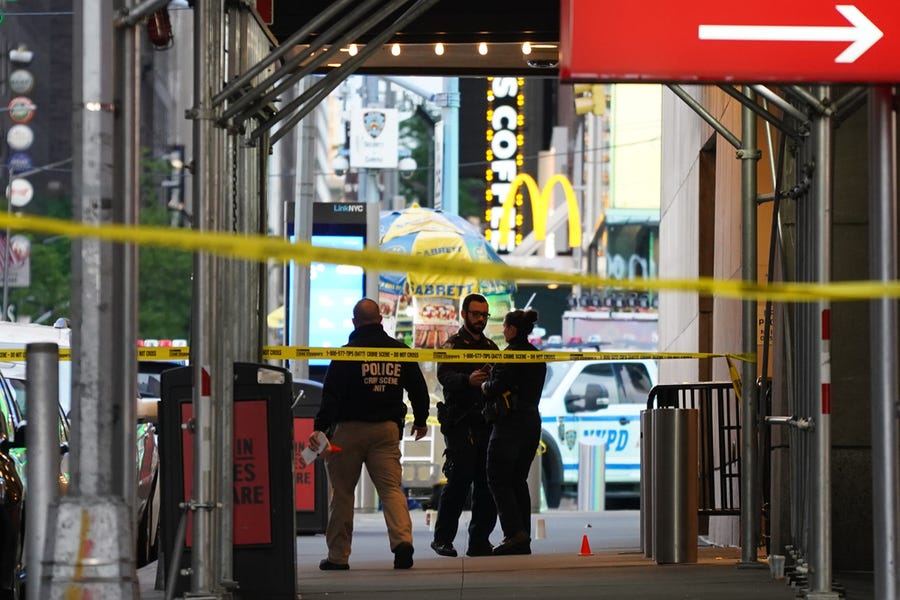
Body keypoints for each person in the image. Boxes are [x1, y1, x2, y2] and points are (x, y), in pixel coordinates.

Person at [309, 298, 430, 571]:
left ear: (355, 322)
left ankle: (338, 557)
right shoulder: (399, 351)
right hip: (386, 431)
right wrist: (421, 420)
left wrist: (320, 428)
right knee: (390, 489)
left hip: (348, 432)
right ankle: (402, 543)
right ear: (381, 319)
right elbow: (419, 389)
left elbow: (331, 396)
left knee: (342, 494)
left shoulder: (346, 354)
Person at [430, 294, 500, 558]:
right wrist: (467, 380)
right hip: (459, 422)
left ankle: (479, 540)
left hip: (485, 422)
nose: (480, 319)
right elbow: (444, 376)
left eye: (484, 315)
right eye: (475, 314)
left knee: (486, 483)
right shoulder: (453, 345)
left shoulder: (491, 348)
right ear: (464, 314)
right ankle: (443, 539)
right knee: (459, 480)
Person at [480, 309, 547, 555]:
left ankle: (514, 533)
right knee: (518, 480)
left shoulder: (510, 356)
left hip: (509, 424)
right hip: (531, 423)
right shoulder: (537, 357)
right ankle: (523, 536)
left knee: (497, 477)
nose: (503, 331)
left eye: (505, 327)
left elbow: (497, 386)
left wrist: (485, 385)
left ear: (513, 330)